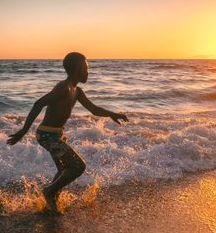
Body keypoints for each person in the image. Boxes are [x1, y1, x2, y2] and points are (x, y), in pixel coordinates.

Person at [7, 52, 128, 211]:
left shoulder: (77, 91)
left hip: (56, 135)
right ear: (77, 69)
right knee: (78, 166)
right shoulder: (63, 87)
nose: (88, 72)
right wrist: (24, 130)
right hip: (46, 135)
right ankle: (49, 192)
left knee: (64, 169)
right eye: (86, 68)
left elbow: (93, 109)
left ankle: (51, 203)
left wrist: (113, 114)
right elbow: (39, 103)